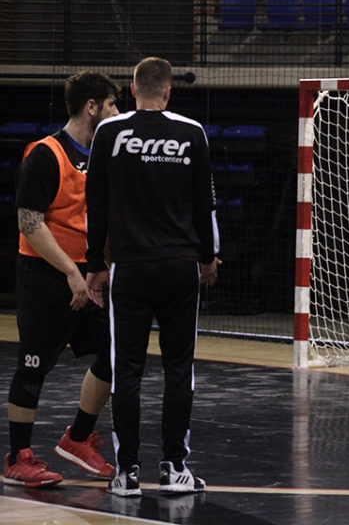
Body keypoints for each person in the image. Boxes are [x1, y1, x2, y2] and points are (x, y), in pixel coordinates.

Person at [85, 57, 220, 498]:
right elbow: (205, 203)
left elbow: (96, 206)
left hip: (131, 267)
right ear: (167, 92)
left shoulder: (109, 132)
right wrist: (209, 256)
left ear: (131, 88)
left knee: (127, 370)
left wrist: (95, 266)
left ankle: (126, 473)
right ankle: (175, 468)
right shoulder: (191, 132)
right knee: (180, 369)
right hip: (181, 266)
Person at [4, 72, 120, 487]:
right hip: (46, 276)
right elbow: (29, 221)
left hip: (85, 277)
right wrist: (71, 272)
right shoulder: (45, 154)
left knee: (115, 354)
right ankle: (18, 457)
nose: (116, 113)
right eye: (111, 105)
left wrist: (96, 269)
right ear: (92, 107)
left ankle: (78, 437)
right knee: (32, 368)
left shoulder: (103, 157)